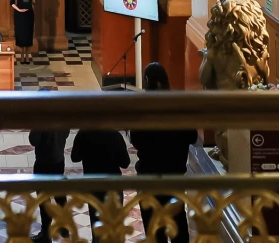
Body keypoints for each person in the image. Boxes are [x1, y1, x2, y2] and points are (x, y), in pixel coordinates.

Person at [128, 63, 197, 243]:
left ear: (147, 80)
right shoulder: (179, 104)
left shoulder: (141, 106)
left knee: (153, 228)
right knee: (178, 225)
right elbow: (192, 136)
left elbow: (135, 138)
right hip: (174, 175)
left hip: (149, 175)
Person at [70, 123, 128, 243]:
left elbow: (74, 157)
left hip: (93, 184)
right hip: (113, 184)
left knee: (96, 222)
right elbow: (125, 163)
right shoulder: (115, 135)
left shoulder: (83, 133)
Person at [29, 126, 70, 243]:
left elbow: (33, 140)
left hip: (43, 163)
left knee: (44, 199)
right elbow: (66, 133)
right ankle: (64, 228)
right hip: (59, 160)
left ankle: (46, 233)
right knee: (60, 197)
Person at [11, 0, 37, 64]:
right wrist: (19, 10)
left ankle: (27, 56)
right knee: (21, 34)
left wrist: (33, 0)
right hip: (19, 14)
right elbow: (12, 3)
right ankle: (21, 56)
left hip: (29, 13)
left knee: (29, 34)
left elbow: (34, 2)